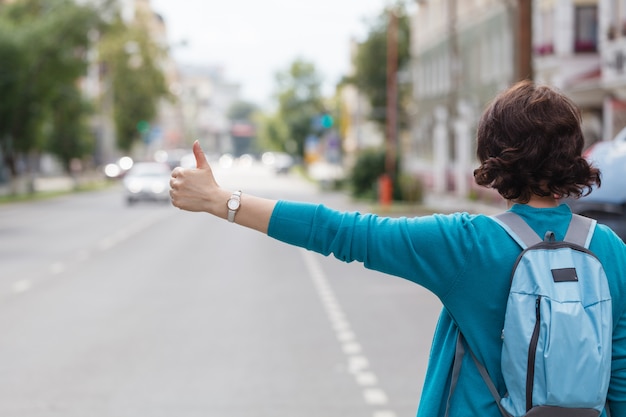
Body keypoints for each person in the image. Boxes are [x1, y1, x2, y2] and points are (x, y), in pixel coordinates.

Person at [169, 80, 626, 416]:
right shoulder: (608, 248)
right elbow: (619, 372)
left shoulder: (467, 244)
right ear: (573, 154)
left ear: (494, 156)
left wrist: (220, 201)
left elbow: (339, 232)